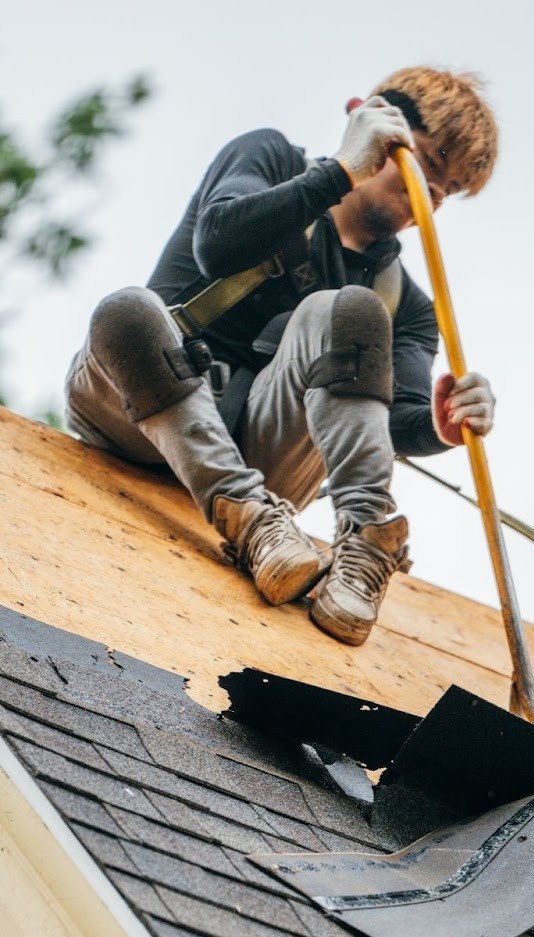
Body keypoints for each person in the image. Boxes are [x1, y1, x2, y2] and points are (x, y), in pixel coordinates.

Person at [64, 68, 498, 646]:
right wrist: (340, 172)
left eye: (444, 195)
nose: (427, 202)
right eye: (425, 167)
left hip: (266, 459)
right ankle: (246, 516)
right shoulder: (268, 159)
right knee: (128, 313)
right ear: (369, 121)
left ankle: (365, 541)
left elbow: (393, 422)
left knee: (350, 311)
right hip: (138, 413)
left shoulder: (403, 304)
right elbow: (218, 243)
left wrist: (442, 427)